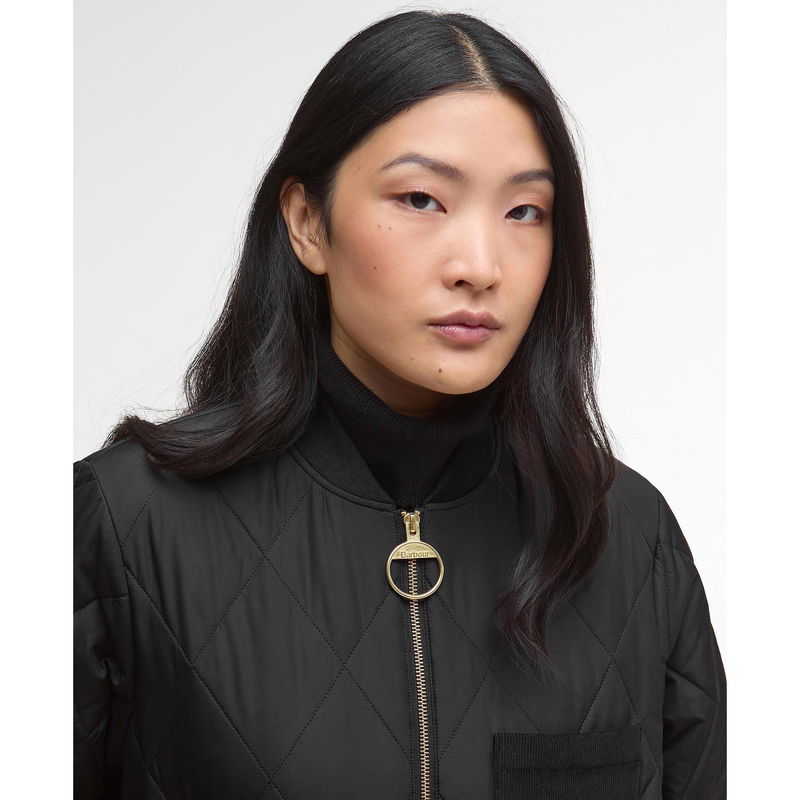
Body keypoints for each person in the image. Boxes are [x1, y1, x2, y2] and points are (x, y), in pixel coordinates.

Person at [73, 9, 726, 799]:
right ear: (308, 224)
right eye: (421, 199)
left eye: (525, 211)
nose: (480, 265)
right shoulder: (125, 528)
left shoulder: (630, 538)